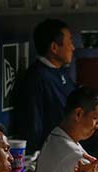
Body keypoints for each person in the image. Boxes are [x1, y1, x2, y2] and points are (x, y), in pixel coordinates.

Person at [16, 18, 76, 153]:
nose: (73, 47)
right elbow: (33, 125)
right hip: (53, 151)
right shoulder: (37, 77)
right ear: (54, 47)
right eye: (69, 42)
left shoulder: (60, 71)